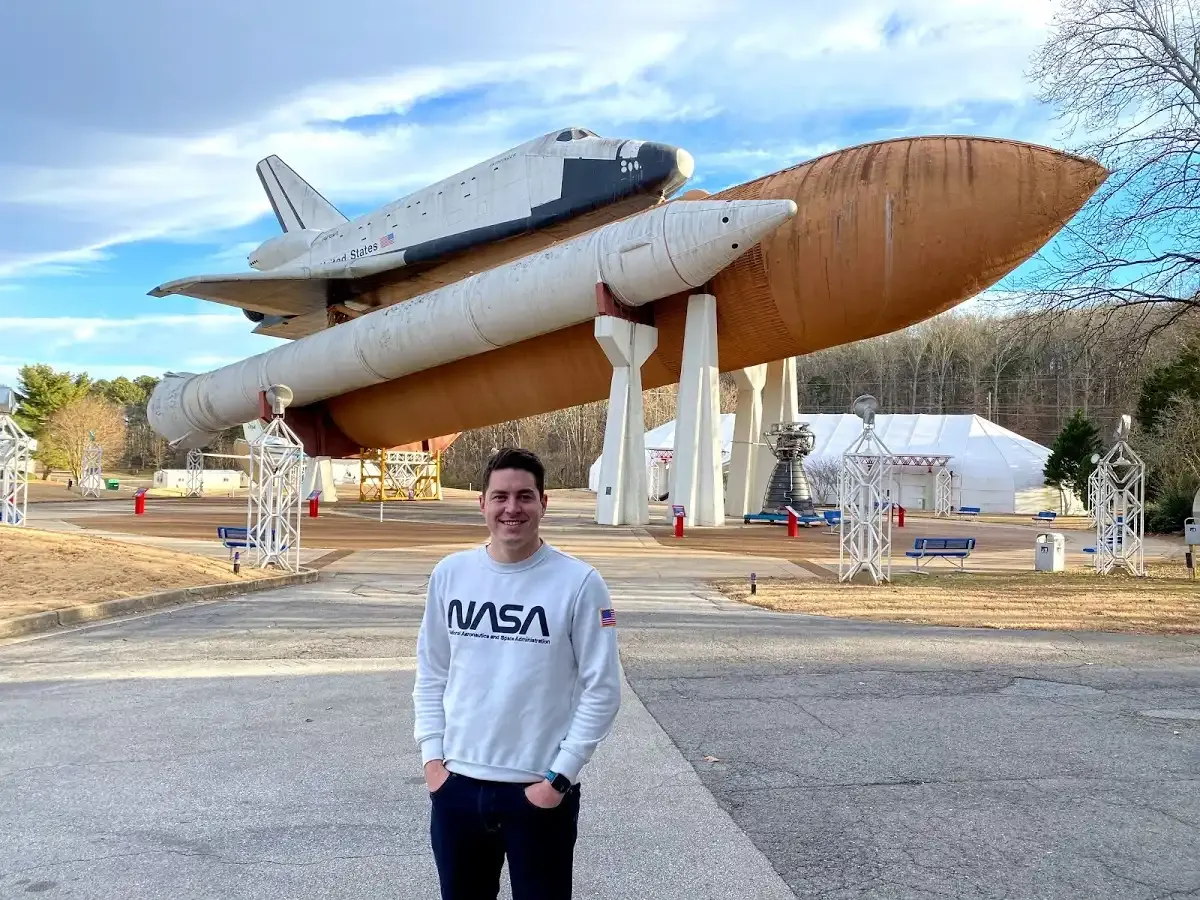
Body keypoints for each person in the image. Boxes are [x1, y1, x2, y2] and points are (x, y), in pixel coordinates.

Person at [412, 447, 622, 900]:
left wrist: (559, 779)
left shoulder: (580, 583)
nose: (512, 508)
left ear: (544, 503)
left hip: (539, 792)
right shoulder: (450, 574)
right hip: (457, 789)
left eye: (525, 496)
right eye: (500, 496)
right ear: (482, 503)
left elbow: (602, 689)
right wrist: (433, 762)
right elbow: (431, 673)